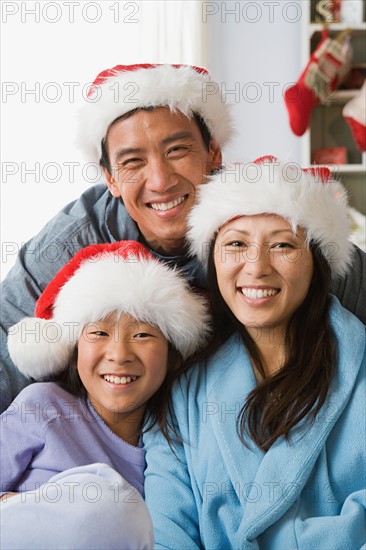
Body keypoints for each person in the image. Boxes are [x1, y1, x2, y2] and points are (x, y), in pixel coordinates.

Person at [1, 63, 365, 415]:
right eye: (132, 162)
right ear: (109, 178)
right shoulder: (70, 242)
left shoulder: (268, 211)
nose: (160, 181)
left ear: (214, 153)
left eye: (177, 150)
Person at [143, 157, 366, 549]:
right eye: (236, 244)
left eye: (282, 244)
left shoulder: (358, 365)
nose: (256, 267)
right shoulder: (182, 396)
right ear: (213, 258)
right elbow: (168, 535)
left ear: (317, 262)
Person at [0, 240, 210, 550]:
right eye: (99, 333)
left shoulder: (171, 455)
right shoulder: (43, 407)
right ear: (74, 348)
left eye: (142, 334)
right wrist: (21, 508)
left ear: (171, 353)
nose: (119, 354)